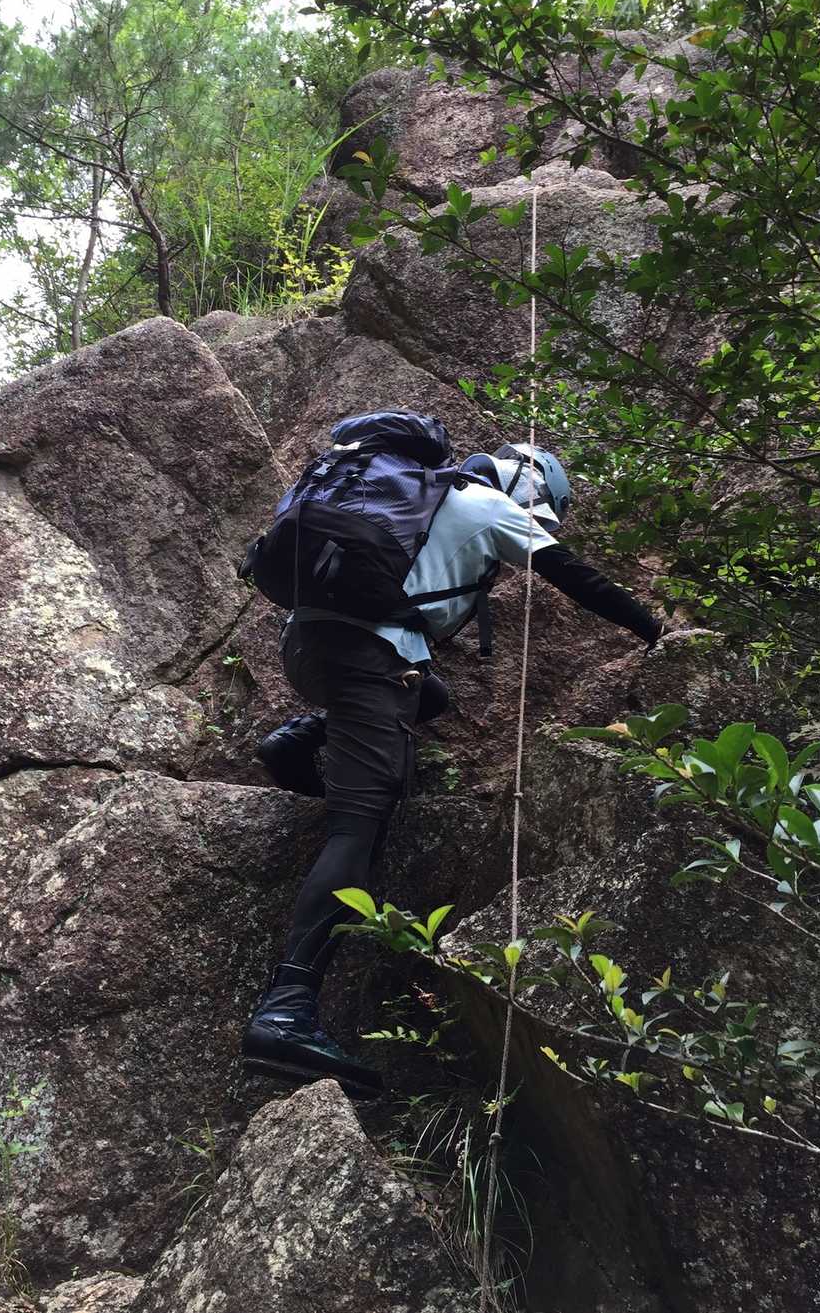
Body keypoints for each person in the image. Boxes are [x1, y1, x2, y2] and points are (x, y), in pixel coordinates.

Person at [241, 428, 661, 1099]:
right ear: (530, 488)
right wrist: (655, 631)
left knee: (428, 694)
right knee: (360, 826)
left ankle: (299, 741)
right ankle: (286, 1010)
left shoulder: (419, 494)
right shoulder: (488, 506)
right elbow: (576, 577)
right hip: (368, 658)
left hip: (309, 646)